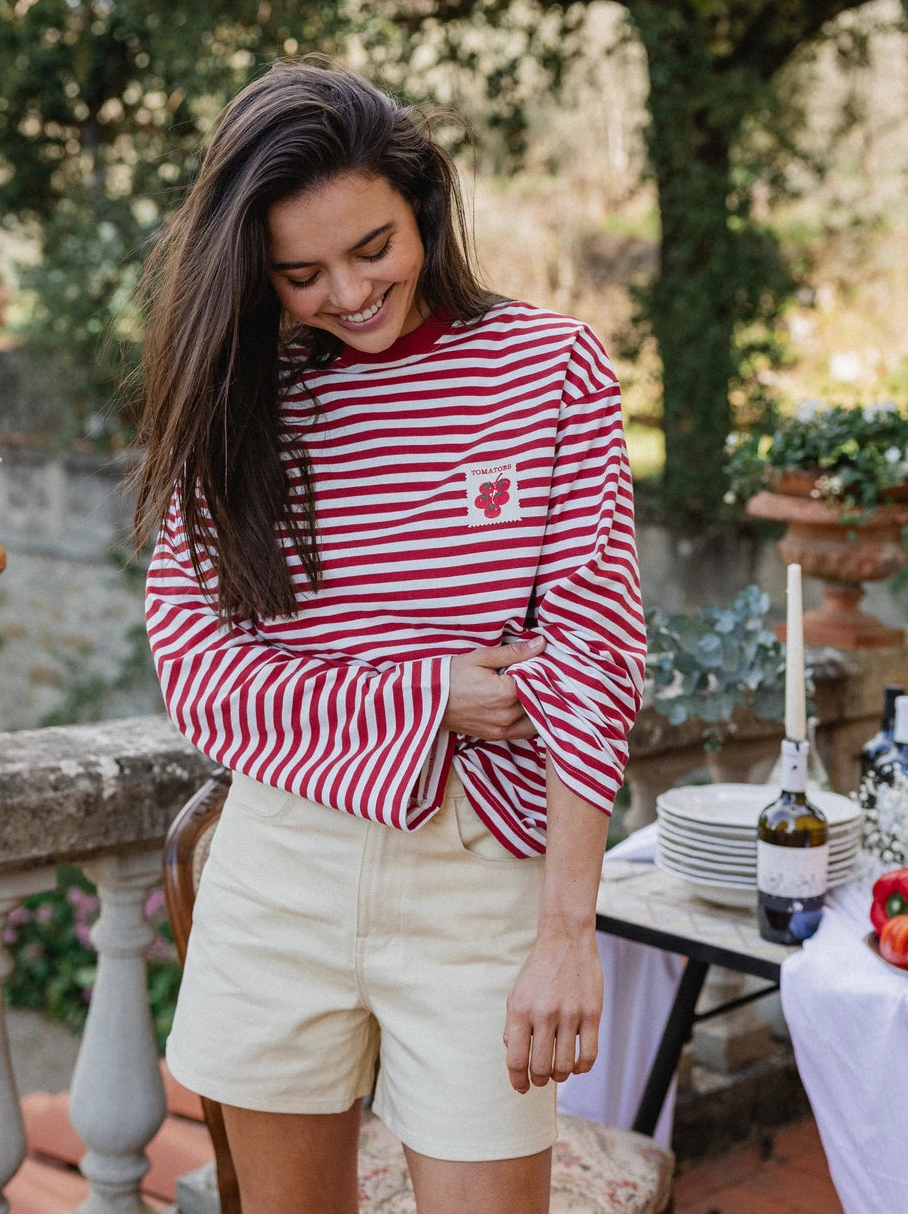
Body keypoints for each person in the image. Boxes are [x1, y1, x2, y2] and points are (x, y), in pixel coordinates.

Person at [136, 61, 646, 1214]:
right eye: (301, 274)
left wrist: (569, 930)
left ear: (420, 200)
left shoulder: (548, 368)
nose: (351, 293)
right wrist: (437, 694)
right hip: (279, 867)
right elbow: (199, 669)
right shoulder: (236, 398)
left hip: (481, 883)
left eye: (374, 247)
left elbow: (593, 652)